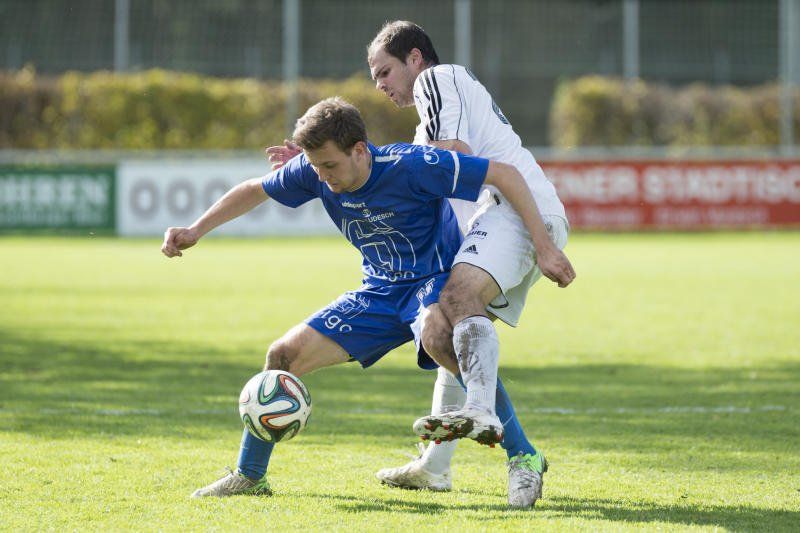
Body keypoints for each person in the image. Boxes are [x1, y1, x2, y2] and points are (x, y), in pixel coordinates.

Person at [163, 97, 559, 504]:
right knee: (281, 356)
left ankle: (524, 457)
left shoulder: (412, 166)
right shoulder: (314, 171)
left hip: (432, 283)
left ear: (359, 150)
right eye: (315, 166)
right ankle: (250, 475)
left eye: (329, 165)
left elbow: (505, 174)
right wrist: (195, 230)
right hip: (378, 294)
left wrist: (544, 247)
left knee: (442, 340)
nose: (322, 176)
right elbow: (254, 189)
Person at [266, 22, 575, 508]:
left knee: (457, 299)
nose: (380, 85)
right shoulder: (428, 119)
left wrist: (545, 245)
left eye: (384, 72)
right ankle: (435, 467)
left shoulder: (438, 79)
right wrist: (318, 162)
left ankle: (506, 439)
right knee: (446, 334)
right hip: (497, 221)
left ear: (414, 58)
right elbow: (421, 164)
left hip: (513, 212)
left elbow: (453, 157)